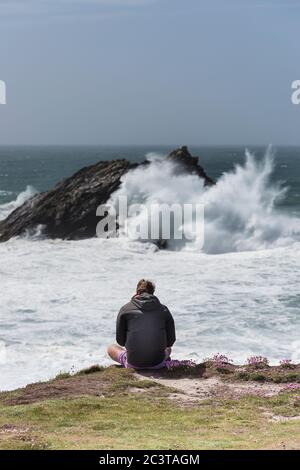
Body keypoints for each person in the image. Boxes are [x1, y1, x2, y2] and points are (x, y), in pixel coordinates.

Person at [107, 279, 176, 369]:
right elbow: (170, 341)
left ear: (137, 292)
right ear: (152, 293)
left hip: (133, 363)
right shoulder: (164, 309)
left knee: (111, 348)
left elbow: (120, 341)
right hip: (157, 363)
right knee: (168, 349)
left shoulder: (125, 309)